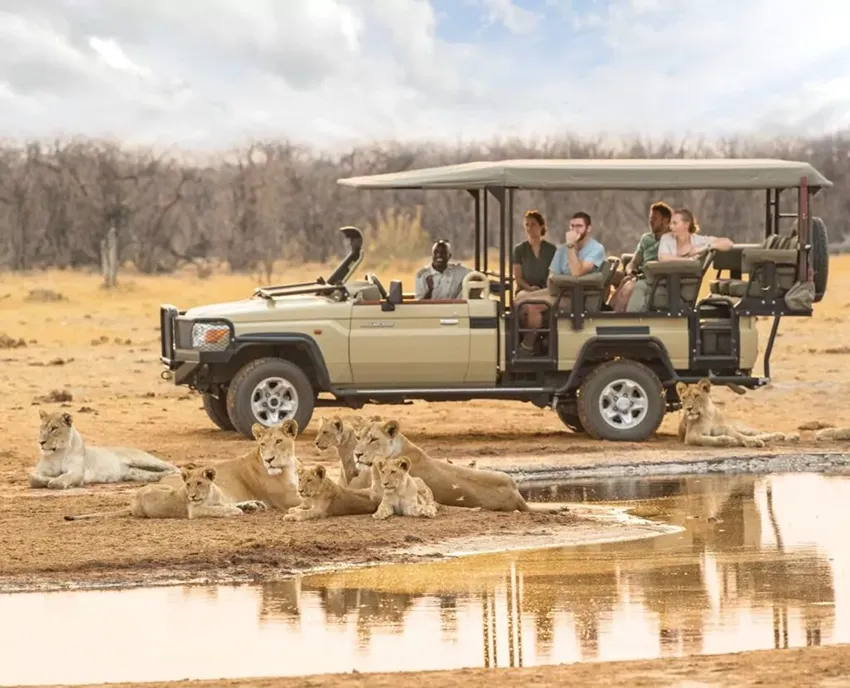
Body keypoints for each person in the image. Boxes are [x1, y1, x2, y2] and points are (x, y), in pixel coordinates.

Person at [515, 211, 606, 354]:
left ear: (588, 229)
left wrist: (571, 247)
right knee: (519, 300)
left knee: (532, 308)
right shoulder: (563, 248)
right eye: (572, 226)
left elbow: (577, 272)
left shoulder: (596, 249)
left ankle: (528, 347)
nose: (575, 230)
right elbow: (552, 273)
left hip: (575, 296)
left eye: (579, 226)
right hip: (558, 291)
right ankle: (532, 340)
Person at [626, 207, 734, 312]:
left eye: (675, 223)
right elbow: (663, 258)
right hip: (664, 281)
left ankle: (634, 322)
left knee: (641, 286)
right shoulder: (667, 238)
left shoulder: (698, 241)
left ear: (686, 224)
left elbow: (728, 243)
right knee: (640, 285)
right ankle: (634, 320)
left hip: (682, 284)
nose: (671, 226)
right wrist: (690, 260)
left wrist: (704, 247)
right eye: (671, 223)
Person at [609, 201, 672, 312]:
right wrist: (631, 271)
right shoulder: (646, 239)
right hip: (639, 274)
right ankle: (608, 310)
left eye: (655, 218)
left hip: (654, 277)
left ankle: (617, 318)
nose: (651, 222)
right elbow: (634, 262)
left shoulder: (671, 240)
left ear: (665, 221)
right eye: (650, 218)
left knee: (628, 287)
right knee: (621, 278)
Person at [513, 210, 558, 294]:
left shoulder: (551, 249)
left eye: (533, 224)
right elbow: (518, 277)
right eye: (527, 225)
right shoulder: (519, 249)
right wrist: (529, 288)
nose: (529, 228)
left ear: (541, 226)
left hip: (546, 290)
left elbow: (553, 274)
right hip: (525, 290)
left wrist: (545, 288)